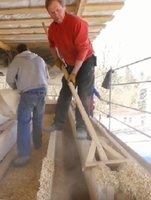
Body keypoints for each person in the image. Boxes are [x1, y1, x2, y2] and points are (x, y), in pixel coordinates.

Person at [43, 0, 97, 140]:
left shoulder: (77, 23)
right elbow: (52, 45)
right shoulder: (52, 29)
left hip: (85, 61)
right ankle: (58, 123)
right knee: (65, 93)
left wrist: (74, 73)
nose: (56, 14)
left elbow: (83, 50)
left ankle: (82, 127)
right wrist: (57, 59)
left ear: (64, 7)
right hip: (70, 62)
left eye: (58, 10)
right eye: (52, 12)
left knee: (83, 96)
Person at [6, 43, 50, 167]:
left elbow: (9, 79)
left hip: (28, 94)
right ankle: (37, 143)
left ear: (18, 52)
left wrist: (16, 87)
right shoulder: (40, 59)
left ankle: (24, 155)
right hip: (42, 92)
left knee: (24, 123)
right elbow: (47, 77)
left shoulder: (17, 60)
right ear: (28, 50)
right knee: (38, 119)